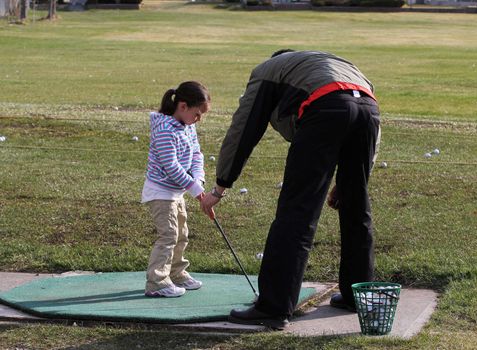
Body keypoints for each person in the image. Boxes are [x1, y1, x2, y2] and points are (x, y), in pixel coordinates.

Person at [200, 50, 381, 329]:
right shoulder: (333, 66)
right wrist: (352, 182)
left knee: (297, 213)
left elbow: (244, 128)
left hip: (325, 110)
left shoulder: (266, 70)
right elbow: (366, 120)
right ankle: (356, 295)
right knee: (357, 208)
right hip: (368, 111)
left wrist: (221, 185)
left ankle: (273, 308)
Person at [142, 81, 211, 298]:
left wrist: (198, 179)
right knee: (169, 236)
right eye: (197, 114)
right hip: (161, 192)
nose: (198, 119)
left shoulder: (188, 126)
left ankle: (176, 273)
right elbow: (171, 166)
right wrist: (194, 188)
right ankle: (157, 282)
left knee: (182, 234)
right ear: (182, 106)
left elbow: (197, 155)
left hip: (176, 192)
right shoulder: (164, 130)